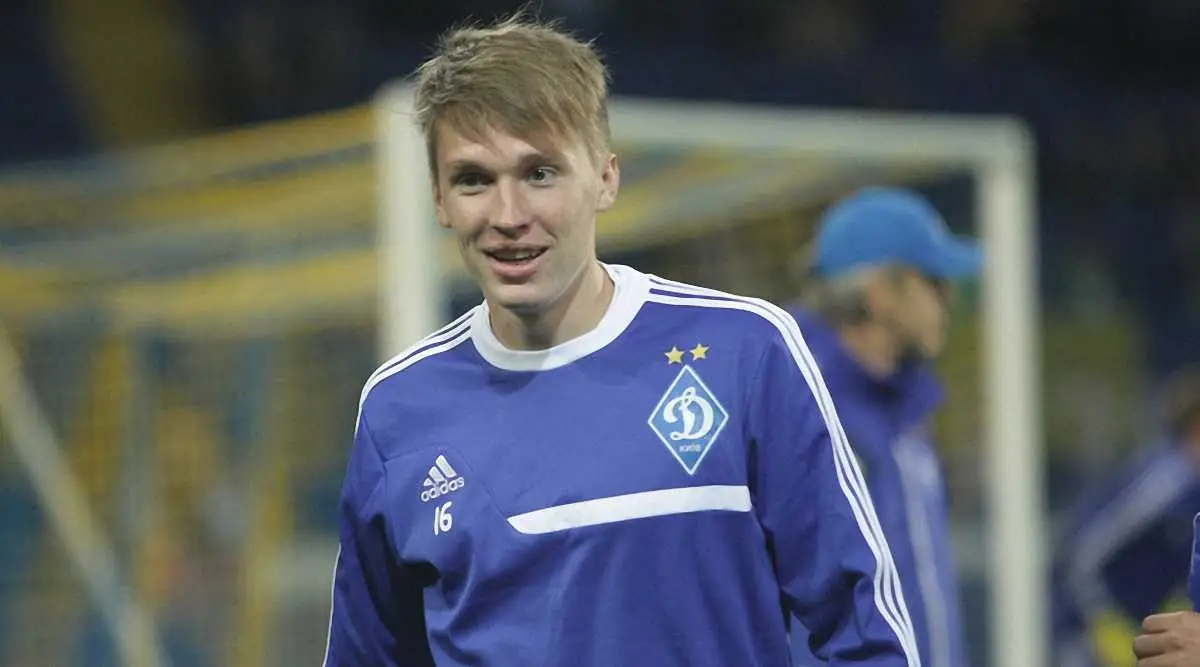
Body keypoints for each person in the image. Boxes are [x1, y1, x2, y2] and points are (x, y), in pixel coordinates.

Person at [321, 14, 920, 667]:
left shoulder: (745, 352)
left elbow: (865, 629)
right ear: (439, 198)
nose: (508, 216)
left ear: (606, 179)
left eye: (540, 173)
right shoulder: (399, 409)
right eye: (474, 180)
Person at [784, 187, 980, 667]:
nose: (949, 299)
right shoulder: (799, 408)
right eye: (933, 282)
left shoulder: (905, 409)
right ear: (880, 293)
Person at [1054, 367, 1200, 666]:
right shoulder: (1165, 482)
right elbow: (1081, 556)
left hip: (1142, 635)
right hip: (1088, 636)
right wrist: (1105, 623)